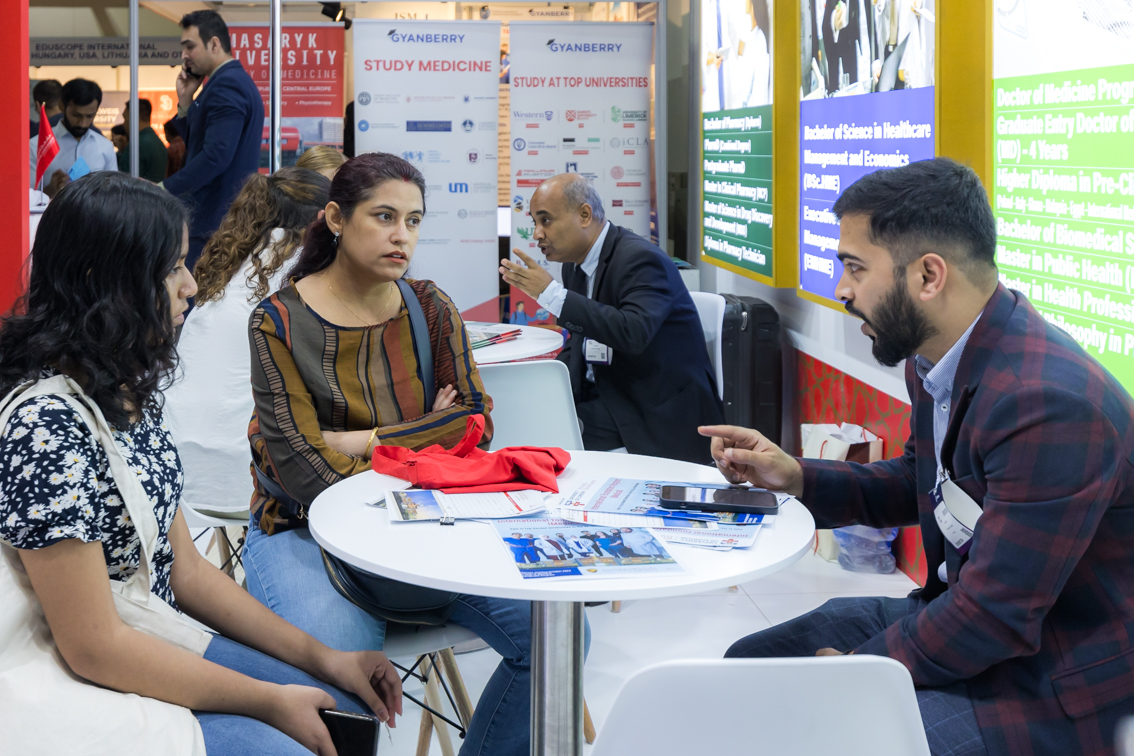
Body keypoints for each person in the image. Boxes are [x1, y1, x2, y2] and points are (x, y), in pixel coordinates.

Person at [702, 158, 1134, 756]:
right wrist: (796, 475)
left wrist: (859, 670)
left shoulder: (1048, 404)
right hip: (965, 623)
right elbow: (919, 482)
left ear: (929, 275)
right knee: (747, 669)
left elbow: (994, 617)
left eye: (855, 267)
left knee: (821, 731)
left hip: (1049, 680)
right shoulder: (935, 358)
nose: (842, 289)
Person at [0, 172, 402, 754]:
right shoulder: (46, 426)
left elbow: (184, 570)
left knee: (335, 707)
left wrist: (325, 657)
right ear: (103, 280)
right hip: (79, 665)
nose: (190, 285)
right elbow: (92, 645)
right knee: (301, 738)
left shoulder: (123, 387)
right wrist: (267, 698)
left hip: (146, 623)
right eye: (171, 269)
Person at [240, 152, 537, 756]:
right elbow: (302, 471)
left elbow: (475, 420)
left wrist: (359, 439)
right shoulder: (277, 321)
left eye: (414, 220)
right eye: (383, 216)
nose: (402, 235)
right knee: (342, 690)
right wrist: (423, 430)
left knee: (558, 639)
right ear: (335, 218)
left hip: (431, 521)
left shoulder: (429, 306)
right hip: (305, 534)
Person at [500, 172, 725, 463]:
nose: (537, 234)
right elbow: (580, 341)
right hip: (606, 392)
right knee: (522, 418)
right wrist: (549, 386)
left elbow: (632, 333)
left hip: (651, 408)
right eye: (534, 222)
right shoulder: (574, 266)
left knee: (542, 444)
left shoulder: (641, 259)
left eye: (546, 220)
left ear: (584, 215)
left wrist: (552, 294)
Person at [164, 167, 330, 518]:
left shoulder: (236, 261)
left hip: (180, 473)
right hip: (242, 479)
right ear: (323, 218)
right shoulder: (303, 270)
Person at [164, 10, 264, 272]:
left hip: (215, 220)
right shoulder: (224, 82)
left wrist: (165, 189)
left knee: (196, 304)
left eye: (190, 46)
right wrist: (186, 103)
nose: (184, 54)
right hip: (221, 219)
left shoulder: (226, 84)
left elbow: (215, 156)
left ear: (215, 44)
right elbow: (202, 145)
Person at [29, 78, 116, 199]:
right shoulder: (36, 146)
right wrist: (49, 190)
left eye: (90, 116)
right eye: (76, 115)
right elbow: (25, 200)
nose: (83, 123)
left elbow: (114, 196)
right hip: (53, 216)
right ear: (61, 106)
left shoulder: (105, 147)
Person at [114, 99, 169, 183]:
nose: (124, 124)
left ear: (133, 117)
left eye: (125, 118)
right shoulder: (157, 142)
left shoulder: (136, 145)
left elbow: (125, 181)